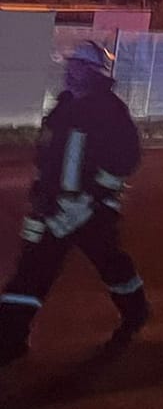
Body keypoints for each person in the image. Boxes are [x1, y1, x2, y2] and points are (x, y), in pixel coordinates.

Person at [0, 40, 148, 366]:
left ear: (95, 73)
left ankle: (136, 312)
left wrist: (92, 198)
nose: (71, 71)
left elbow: (127, 158)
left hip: (92, 213)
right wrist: (41, 196)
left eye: (80, 66)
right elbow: (47, 156)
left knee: (112, 265)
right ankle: (9, 338)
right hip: (54, 210)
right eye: (71, 66)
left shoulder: (110, 111)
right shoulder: (62, 109)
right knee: (30, 272)